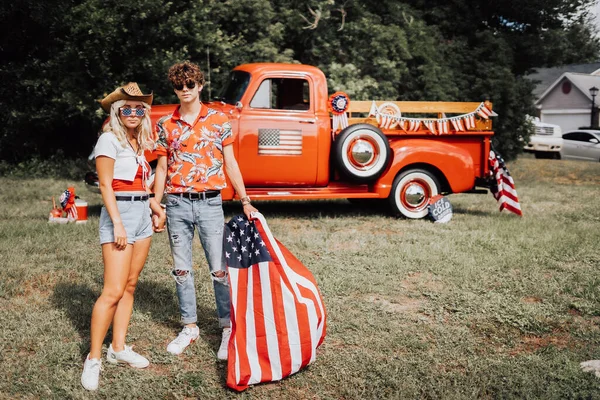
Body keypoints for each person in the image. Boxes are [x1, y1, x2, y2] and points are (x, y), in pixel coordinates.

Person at [153, 61, 257, 360]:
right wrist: (157, 203)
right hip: (176, 204)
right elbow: (161, 167)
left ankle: (226, 328)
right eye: (178, 85)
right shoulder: (166, 125)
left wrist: (245, 200)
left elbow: (230, 162)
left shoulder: (219, 120)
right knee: (182, 270)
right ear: (174, 88)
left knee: (219, 270)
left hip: (210, 203)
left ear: (199, 86)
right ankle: (189, 326)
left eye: (189, 84)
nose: (184, 90)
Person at [81, 83, 166, 391]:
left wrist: (156, 207)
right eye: (126, 109)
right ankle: (93, 359)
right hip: (120, 217)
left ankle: (118, 348)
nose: (133, 113)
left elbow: (141, 186)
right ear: (117, 112)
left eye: (139, 108)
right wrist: (117, 224)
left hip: (142, 214)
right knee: (112, 291)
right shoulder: (108, 139)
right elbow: (106, 186)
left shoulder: (138, 142)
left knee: (130, 285)